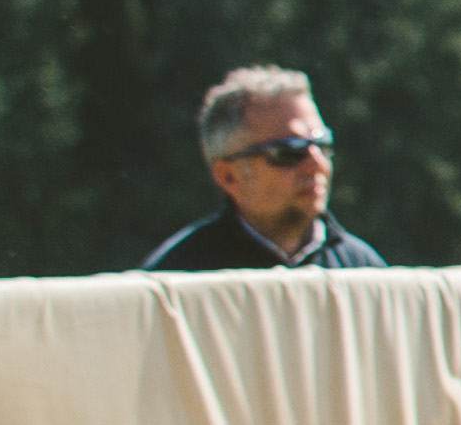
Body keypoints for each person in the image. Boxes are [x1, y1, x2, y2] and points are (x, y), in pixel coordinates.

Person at [138, 68, 387, 273]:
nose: (317, 164)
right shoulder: (178, 279)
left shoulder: (362, 270)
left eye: (321, 145)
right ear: (229, 176)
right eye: (289, 151)